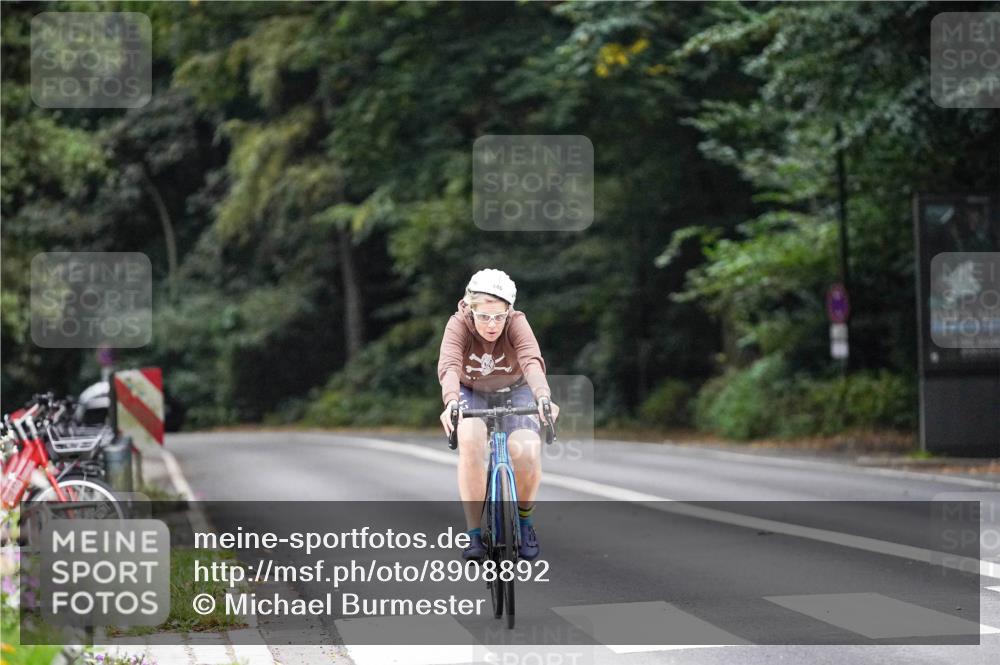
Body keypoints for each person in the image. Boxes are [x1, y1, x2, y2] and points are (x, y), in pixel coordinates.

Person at [437, 269, 559, 561]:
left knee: (528, 450)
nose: (492, 325)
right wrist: (451, 402)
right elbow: (450, 367)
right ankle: (474, 534)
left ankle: (525, 522)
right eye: (484, 317)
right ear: (470, 309)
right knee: (471, 439)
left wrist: (543, 397)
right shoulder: (458, 325)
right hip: (471, 390)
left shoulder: (517, 323)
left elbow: (531, 361)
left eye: (498, 317)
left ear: (508, 311)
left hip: (516, 389)